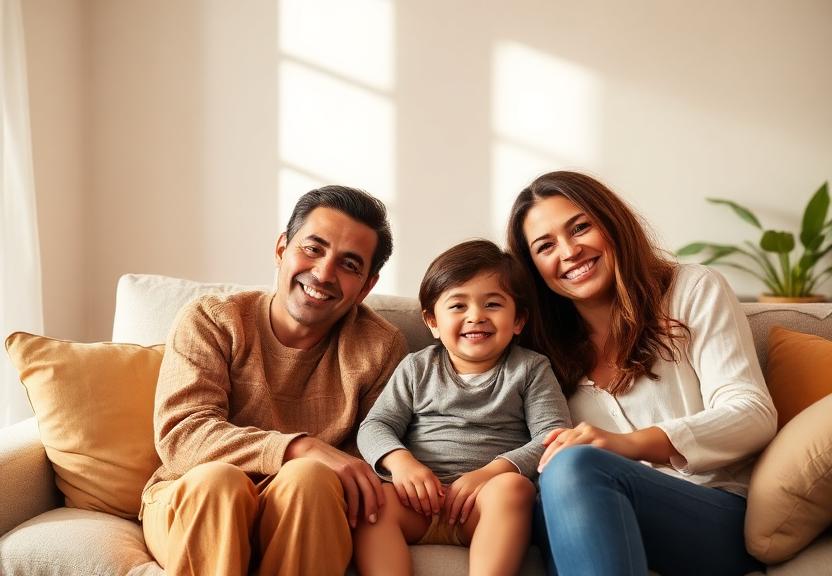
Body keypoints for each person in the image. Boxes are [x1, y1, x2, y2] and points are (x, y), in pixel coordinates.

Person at [506, 171, 778, 576]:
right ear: (533, 268)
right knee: (553, 487)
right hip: (587, 513)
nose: (569, 251)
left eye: (580, 227)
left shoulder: (692, 289)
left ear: (612, 222)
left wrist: (628, 444)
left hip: (708, 514)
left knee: (575, 465)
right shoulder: (534, 347)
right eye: (545, 246)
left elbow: (752, 414)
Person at [140, 185, 409, 576]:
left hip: (303, 511)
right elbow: (183, 437)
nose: (323, 272)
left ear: (367, 286)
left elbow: (369, 465)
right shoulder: (213, 319)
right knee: (221, 481)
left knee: (312, 479)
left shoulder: (380, 347)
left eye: (349, 265)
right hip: (197, 499)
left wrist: (309, 464)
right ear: (282, 248)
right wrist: (300, 448)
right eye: (313, 249)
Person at [354, 239, 571, 576]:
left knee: (513, 490)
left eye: (493, 304)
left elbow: (553, 437)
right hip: (418, 501)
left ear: (518, 320)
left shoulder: (530, 368)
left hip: (485, 502)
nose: (476, 317)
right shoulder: (417, 367)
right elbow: (375, 426)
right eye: (458, 306)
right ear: (432, 322)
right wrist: (402, 465)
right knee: (372, 504)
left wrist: (490, 473)